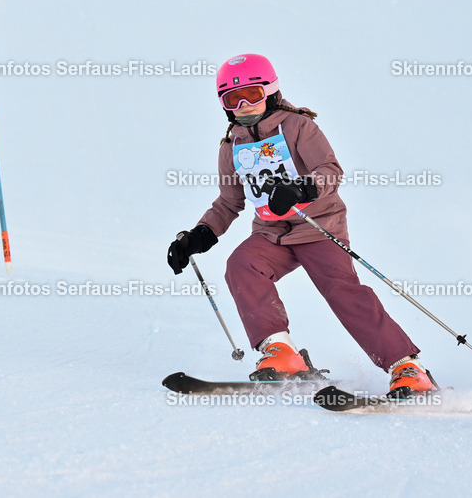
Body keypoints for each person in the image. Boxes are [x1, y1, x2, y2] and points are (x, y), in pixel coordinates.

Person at [167, 54, 437, 398]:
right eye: (233, 99)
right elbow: (228, 203)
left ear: (272, 92)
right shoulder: (231, 146)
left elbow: (330, 170)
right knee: (241, 265)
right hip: (271, 235)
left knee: (343, 291)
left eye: (252, 94)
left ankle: (406, 367)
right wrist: (197, 237)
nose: (244, 105)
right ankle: (281, 352)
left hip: (318, 227)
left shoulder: (298, 127)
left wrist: (301, 188)